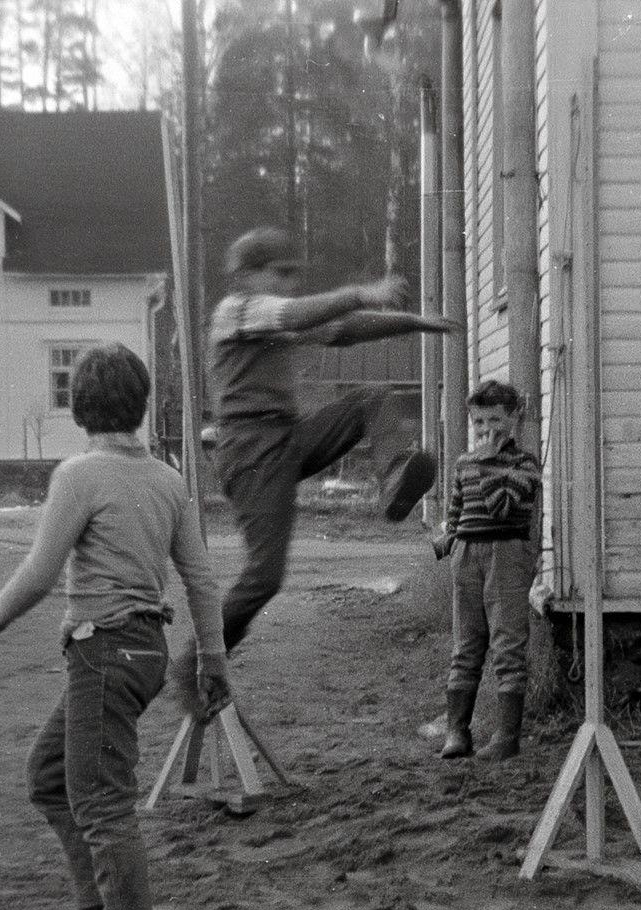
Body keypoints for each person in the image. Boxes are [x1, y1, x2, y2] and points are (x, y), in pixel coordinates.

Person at [0, 343, 228, 910]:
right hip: (144, 652)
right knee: (51, 774)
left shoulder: (79, 475)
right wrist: (213, 662)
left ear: (79, 406)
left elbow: (39, 571)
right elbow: (200, 580)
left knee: (104, 806)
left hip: (102, 654)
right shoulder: (168, 480)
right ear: (140, 406)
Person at [173, 225, 455, 712]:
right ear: (244, 275)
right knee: (264, 578)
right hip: (249, 451)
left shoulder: (273, 317)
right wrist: (360, 291)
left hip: (287, 436)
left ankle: (391, 483)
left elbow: (342, 330)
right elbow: (306, 312)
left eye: (292, 274)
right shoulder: (237, 310)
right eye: (278, 273)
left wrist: (415, 322)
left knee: (372, 400)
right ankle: (196, 663)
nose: (287, 283)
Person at [431, 378, 542, 761]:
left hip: (507, 556)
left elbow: (502, 506)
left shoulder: (525, 464)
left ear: (513, 418)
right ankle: (457, 732)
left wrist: (487, 461)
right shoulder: (465, 463)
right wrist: (447, 538)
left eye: (495, 420)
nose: (486, 430)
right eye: (479, 422)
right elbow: (456, 511)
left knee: (508, 646)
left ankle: (506, 738)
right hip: (467, 557)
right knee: (466, 646)